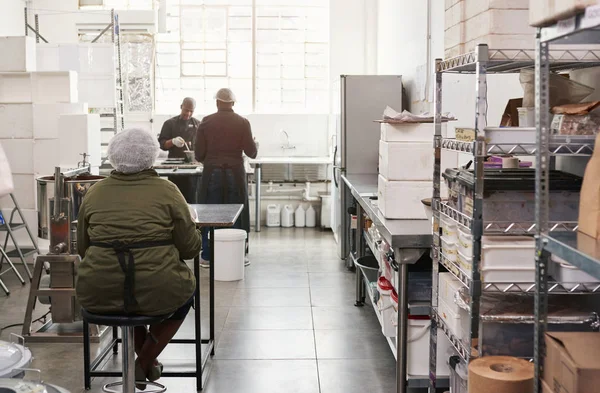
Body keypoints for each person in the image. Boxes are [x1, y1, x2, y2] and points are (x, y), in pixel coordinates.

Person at [76, 128, 202, 387]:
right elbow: (190, 249)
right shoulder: (168, 191)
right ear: (151, 156)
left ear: (113, 156)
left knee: (127, 295)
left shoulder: (95, 192)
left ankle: (142, 361)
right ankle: (144, 361)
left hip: (98, 289)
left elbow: (82, 249)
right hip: (158, 288)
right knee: (180, 295)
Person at [195, 88, 257, 267]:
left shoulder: (206, 122)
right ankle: (238, 255)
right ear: (233, 103)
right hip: (235, 172)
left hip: (212, 172)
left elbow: (199, 154)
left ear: (217, 103)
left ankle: (207, 255)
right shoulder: (243, 122)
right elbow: (251, 152)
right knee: (237, 212)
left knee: (209, 212)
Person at [158, 97, 201, 202]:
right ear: (181, 107)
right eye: (186, 110)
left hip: (193, 168)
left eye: (191, 111)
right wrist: (172, 141)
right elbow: (162, 144)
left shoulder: (198, 124)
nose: (188, 113)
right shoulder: (170, 124)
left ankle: (192, 218)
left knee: (192, 199)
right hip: (175, 168)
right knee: (176, 199)